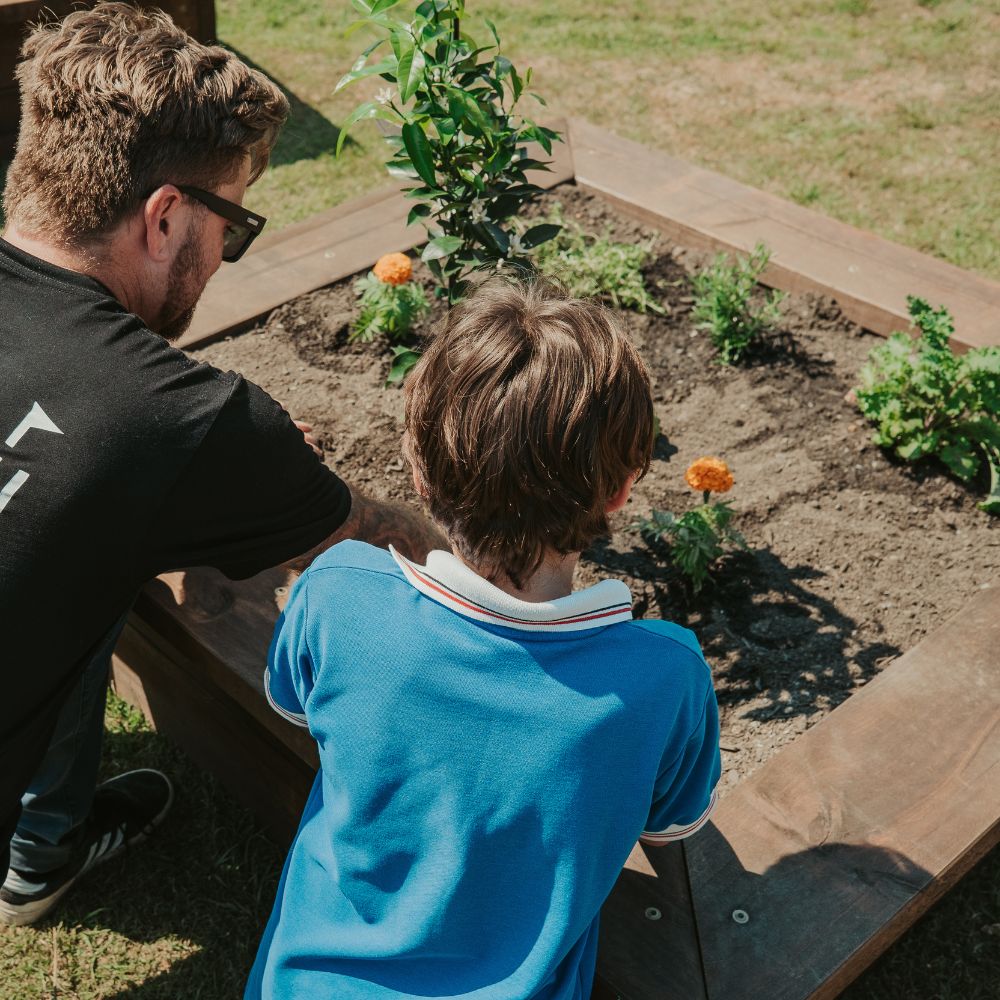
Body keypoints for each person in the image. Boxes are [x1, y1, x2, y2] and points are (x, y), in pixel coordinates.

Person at [0, 3, 439, 926]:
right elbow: (391, 550)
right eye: (231, 227)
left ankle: (46, 852)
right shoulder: (180, 421)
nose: (226, 259)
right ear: (164, 217)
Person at [248, 277, 722, 1000]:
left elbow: (297, 707)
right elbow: (670, 824)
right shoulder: (665, 676)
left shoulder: (338, 590)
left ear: (417, 467)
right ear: (624, 489)